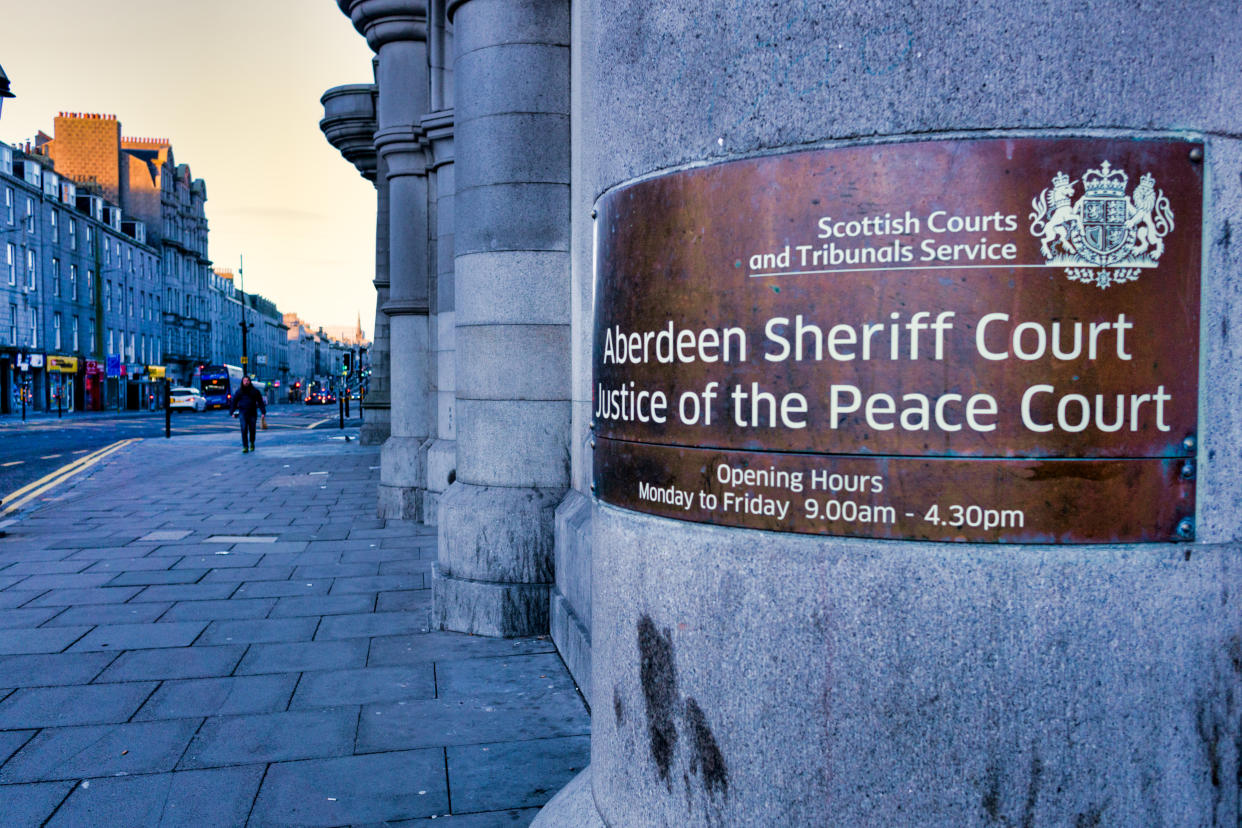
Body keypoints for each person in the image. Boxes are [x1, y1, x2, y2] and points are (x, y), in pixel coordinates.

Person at [229, 375, 267, 453]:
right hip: (242, 412)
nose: (246, 382)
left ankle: (252, 442)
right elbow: (234, 402)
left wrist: (263, 412)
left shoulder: (255, 391)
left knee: (252, 429)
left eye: (247, 381)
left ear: (250, 382)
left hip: (252, 412)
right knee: (244, 429)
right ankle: (245, 446)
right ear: (242, 382)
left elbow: (260, 402)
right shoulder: (239, 391)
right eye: (244, 381)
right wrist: (232, 412)